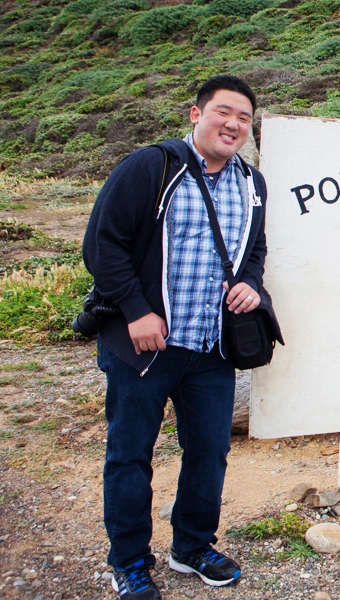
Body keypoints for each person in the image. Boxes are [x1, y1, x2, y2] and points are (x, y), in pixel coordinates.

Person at [83, 75, 268, 599]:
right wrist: (137, 312)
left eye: (243, 118)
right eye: (223, 112)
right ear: (196, 114)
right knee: (130, 454)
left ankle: (191, 546)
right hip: (145, 347)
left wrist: (250, 285)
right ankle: (129, 560)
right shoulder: (153, 166)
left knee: (209, 450)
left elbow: (254, 250)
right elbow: (103, 244)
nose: (232, 124)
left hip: (211, 347)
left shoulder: (252, 184)